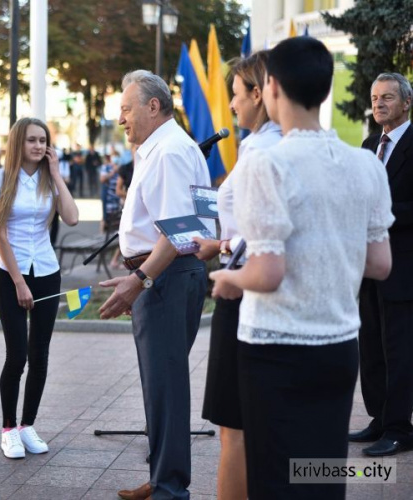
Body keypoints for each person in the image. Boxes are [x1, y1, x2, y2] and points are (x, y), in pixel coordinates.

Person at [209, 37, 394, 499]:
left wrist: (228, 278)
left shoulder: (267, 163)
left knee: (275, 476)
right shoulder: (365, 164)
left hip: (276, 346)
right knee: (322, 471)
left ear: (270, 88)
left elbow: (266, 273)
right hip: (337, 344)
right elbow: (380, 263)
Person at [98, 69, 213, 500]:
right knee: (161, 386)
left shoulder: (168, 152)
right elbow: (198, 220)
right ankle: (163, 475)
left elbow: (182, 231)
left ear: (153, 105)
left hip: (164, 276)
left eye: (126, 109)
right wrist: (135, 272)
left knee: (165, 387)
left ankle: (169, 487)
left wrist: (140, 278)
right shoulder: (170, 148)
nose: (121, 119)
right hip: (164, 275)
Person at [192, 51, 281, 500]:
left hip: (244, 287)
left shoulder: (259, 149)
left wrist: (221, 247)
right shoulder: (283, 145)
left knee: (235, 427)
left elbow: (258, 235)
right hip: (271, 294)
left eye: (234, 95)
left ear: (258, 93)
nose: (230, 106)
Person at [0, 117, 79, 459]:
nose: (38, 146)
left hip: (47, 271)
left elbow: (71, 217)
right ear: (18, 144)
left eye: (43, 140)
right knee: (17, 355)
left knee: (40, 354)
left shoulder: (48, 180)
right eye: (31, 140)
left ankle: (28, 425)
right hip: (12, 275)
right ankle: (8, 428)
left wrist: (56, 175)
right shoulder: (0, 178)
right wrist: (19, 282)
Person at [351, 72, 413, 457]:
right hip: (369, 266)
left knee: (399, 351)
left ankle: (399, 429)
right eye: (375, 98)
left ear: (406, 102)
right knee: (371, 347)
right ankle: (379, 419)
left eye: (387, 97)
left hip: (404, 270)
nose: (379, 104)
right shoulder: (369, 143)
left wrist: (379, 213)